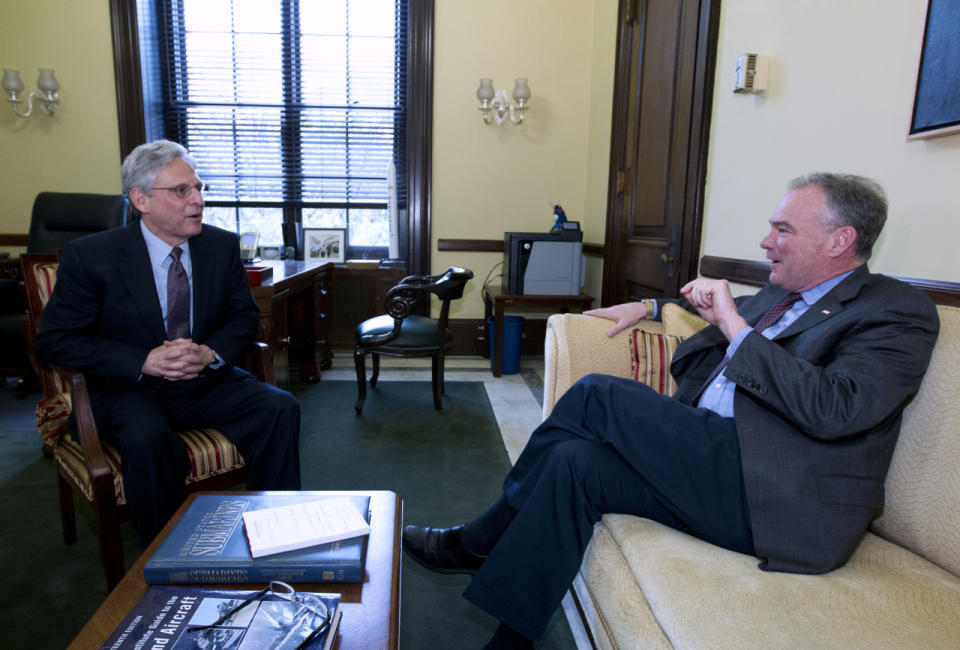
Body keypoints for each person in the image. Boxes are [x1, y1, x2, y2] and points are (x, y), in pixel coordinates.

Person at [402, 173, 940, 649]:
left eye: (783, 230)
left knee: (598, 395)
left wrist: (734, 327)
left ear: (840, 239)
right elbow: (706, 312)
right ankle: (511, 638)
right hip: (715, 466)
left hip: (778, 494)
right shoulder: (782, 296)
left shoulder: (896, 311)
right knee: (574, 461)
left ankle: (476, 541)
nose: (765, 241)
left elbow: (836, 408)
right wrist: (653, 306)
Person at [34, 140, 301, 544]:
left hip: (204, 381)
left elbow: (244, 318)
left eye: (198, 188)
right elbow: (54, 341)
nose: (197, 200)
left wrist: (209, 352)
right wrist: (142, 360)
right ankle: (165, 556)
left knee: (280, 408)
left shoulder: (219, 246)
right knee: (149, 440)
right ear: (140, 199)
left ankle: (276, 535)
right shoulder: (92, 256)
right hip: (128, 390)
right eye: (181, 191)